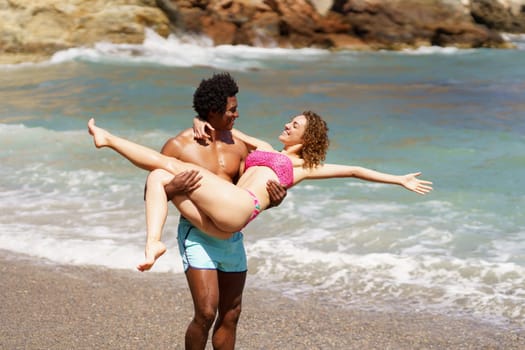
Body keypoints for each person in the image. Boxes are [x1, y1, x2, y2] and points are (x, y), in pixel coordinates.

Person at [88, 111, 433, 239]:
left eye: (294, 125)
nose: (287, 124)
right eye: (290, 121)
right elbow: (228, 130)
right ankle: (153, 246)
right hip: (223, 227)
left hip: (242, 207)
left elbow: (356, 170)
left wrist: (398, 179)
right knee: (161, 178)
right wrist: (200, 121)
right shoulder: (264, 146)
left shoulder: (304, 168)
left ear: (306, 138)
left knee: (177, 168)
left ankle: (109, 139)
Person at [140, 73, 286, 350]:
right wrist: (173, 188)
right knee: (206, 312)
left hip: (230, 237)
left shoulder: (239, 146)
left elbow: (245, 195)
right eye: (232, 110)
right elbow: (151, 191)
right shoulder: (179, 146)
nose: (237, 114)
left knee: (231, 314)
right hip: (197, 233)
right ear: (212, 111)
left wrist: (272, 200)